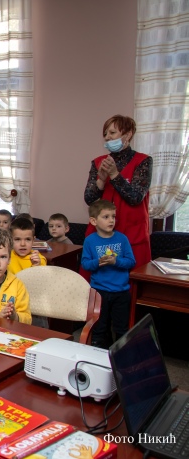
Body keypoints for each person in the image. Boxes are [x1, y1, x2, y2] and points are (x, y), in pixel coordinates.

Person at [84, 114, 152, 268]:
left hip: (131, 233)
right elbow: (89, 199)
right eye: (105, 134)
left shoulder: (143, 161)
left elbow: (136, 197)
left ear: (128, 135)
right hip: (101, 234)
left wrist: (114, 175)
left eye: (112, 132)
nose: (107, 137)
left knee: (132, 278)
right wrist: (101, 181)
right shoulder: (98, 162)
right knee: (98, 277)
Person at [81, 199, 136, 349]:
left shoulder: (122, 238)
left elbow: (131, 262)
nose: (111, 220)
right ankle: (99, 353)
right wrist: (98, 262)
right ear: (94, 221)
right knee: (99, 328)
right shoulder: (90, 241)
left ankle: (121, 353)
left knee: (121, 328)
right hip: (99, 292)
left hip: (121, 292)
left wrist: (115, 261)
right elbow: (85, 264)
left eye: (113, 216)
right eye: (106, 217)